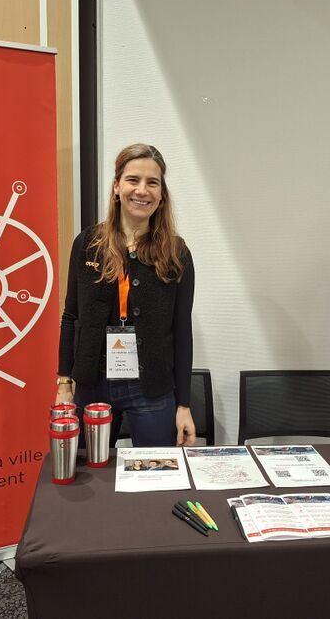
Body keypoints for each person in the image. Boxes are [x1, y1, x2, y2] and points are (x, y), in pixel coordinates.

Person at [56, 143, 196, 447]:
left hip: (151, 389)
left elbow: (182, 331)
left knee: (156, 470)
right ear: (117, 186)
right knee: (89, 470)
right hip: (93, 384)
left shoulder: (176, 253)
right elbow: (71, 316)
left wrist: (183, 405)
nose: (142, 190)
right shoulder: (87, 244)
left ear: (161, 195)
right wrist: (64, 384)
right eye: (133, 180)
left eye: (152, 182)